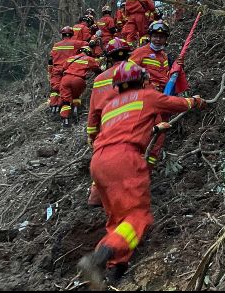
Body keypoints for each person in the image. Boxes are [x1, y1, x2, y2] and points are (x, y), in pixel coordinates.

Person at [77, 61, 205, 289]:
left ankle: (116, 269)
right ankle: (99, 257)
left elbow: (123, 126)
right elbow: (177, 103)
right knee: (138, 217)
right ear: (142, 80)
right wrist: (195, 101)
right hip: (124, 158)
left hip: (98, 162)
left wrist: (152, 129)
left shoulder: (109, 105)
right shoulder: (146, 95)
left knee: (117, 218)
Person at [86, 37, 133, 207]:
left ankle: (96, 197)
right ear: (128, 55)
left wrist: (92, 135)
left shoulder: (100, 80)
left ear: (109, 57)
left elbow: (93, 113)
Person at [48, 26, 89, 114]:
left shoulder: (56, 45)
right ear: (72, 34)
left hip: (56, 69)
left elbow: (50, 59)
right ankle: (68, 108)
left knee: (55, 89)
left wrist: (50, 71)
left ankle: (53, 107)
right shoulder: (76, 43)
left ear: (62, 35)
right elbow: (87, 44)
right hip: (68, 70)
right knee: (66, 90)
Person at [59, 45, 101, 127]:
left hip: (66, 79)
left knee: (66, 100)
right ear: (89, 53)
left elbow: (63, 68)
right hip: (78, 80)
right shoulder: (89, 59)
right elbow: (97, 69)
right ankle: (76, 112)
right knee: (76, 97)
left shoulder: (71, 58)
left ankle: (66, 120)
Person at [128, 21, 171, 91]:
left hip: (163, 93)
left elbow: (166, 75)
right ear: (150, 37)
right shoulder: (140, 52)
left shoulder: (164, 56)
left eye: (162, 37)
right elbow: (129, 72)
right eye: (155, 36)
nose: (158, 39)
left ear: (166, 39)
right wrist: (148, 85)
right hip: (145, 93)